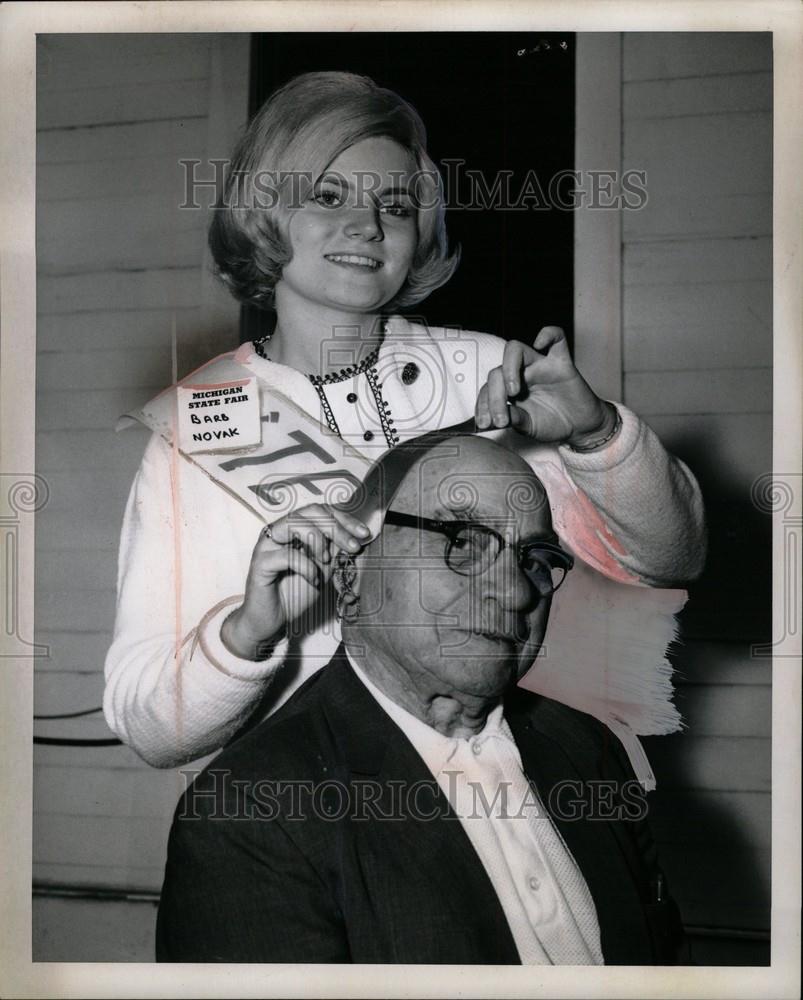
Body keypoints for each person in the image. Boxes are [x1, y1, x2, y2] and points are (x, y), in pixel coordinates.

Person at [104, 71, 706, 768]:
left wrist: (593, 432)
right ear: (264, 213)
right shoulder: (200, 426)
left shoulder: (489, 378)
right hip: (306, 812)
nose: (366, 225)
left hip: (504, 787)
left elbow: (669, 559)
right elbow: (150, 730)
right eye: (327, 196)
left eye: (394, 206)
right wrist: (247, 633)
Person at [156, 435, 685, 964]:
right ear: (352, 570)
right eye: (463, 540)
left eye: (535, 559)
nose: (517, 591)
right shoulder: (250, 814)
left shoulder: (589, 748)